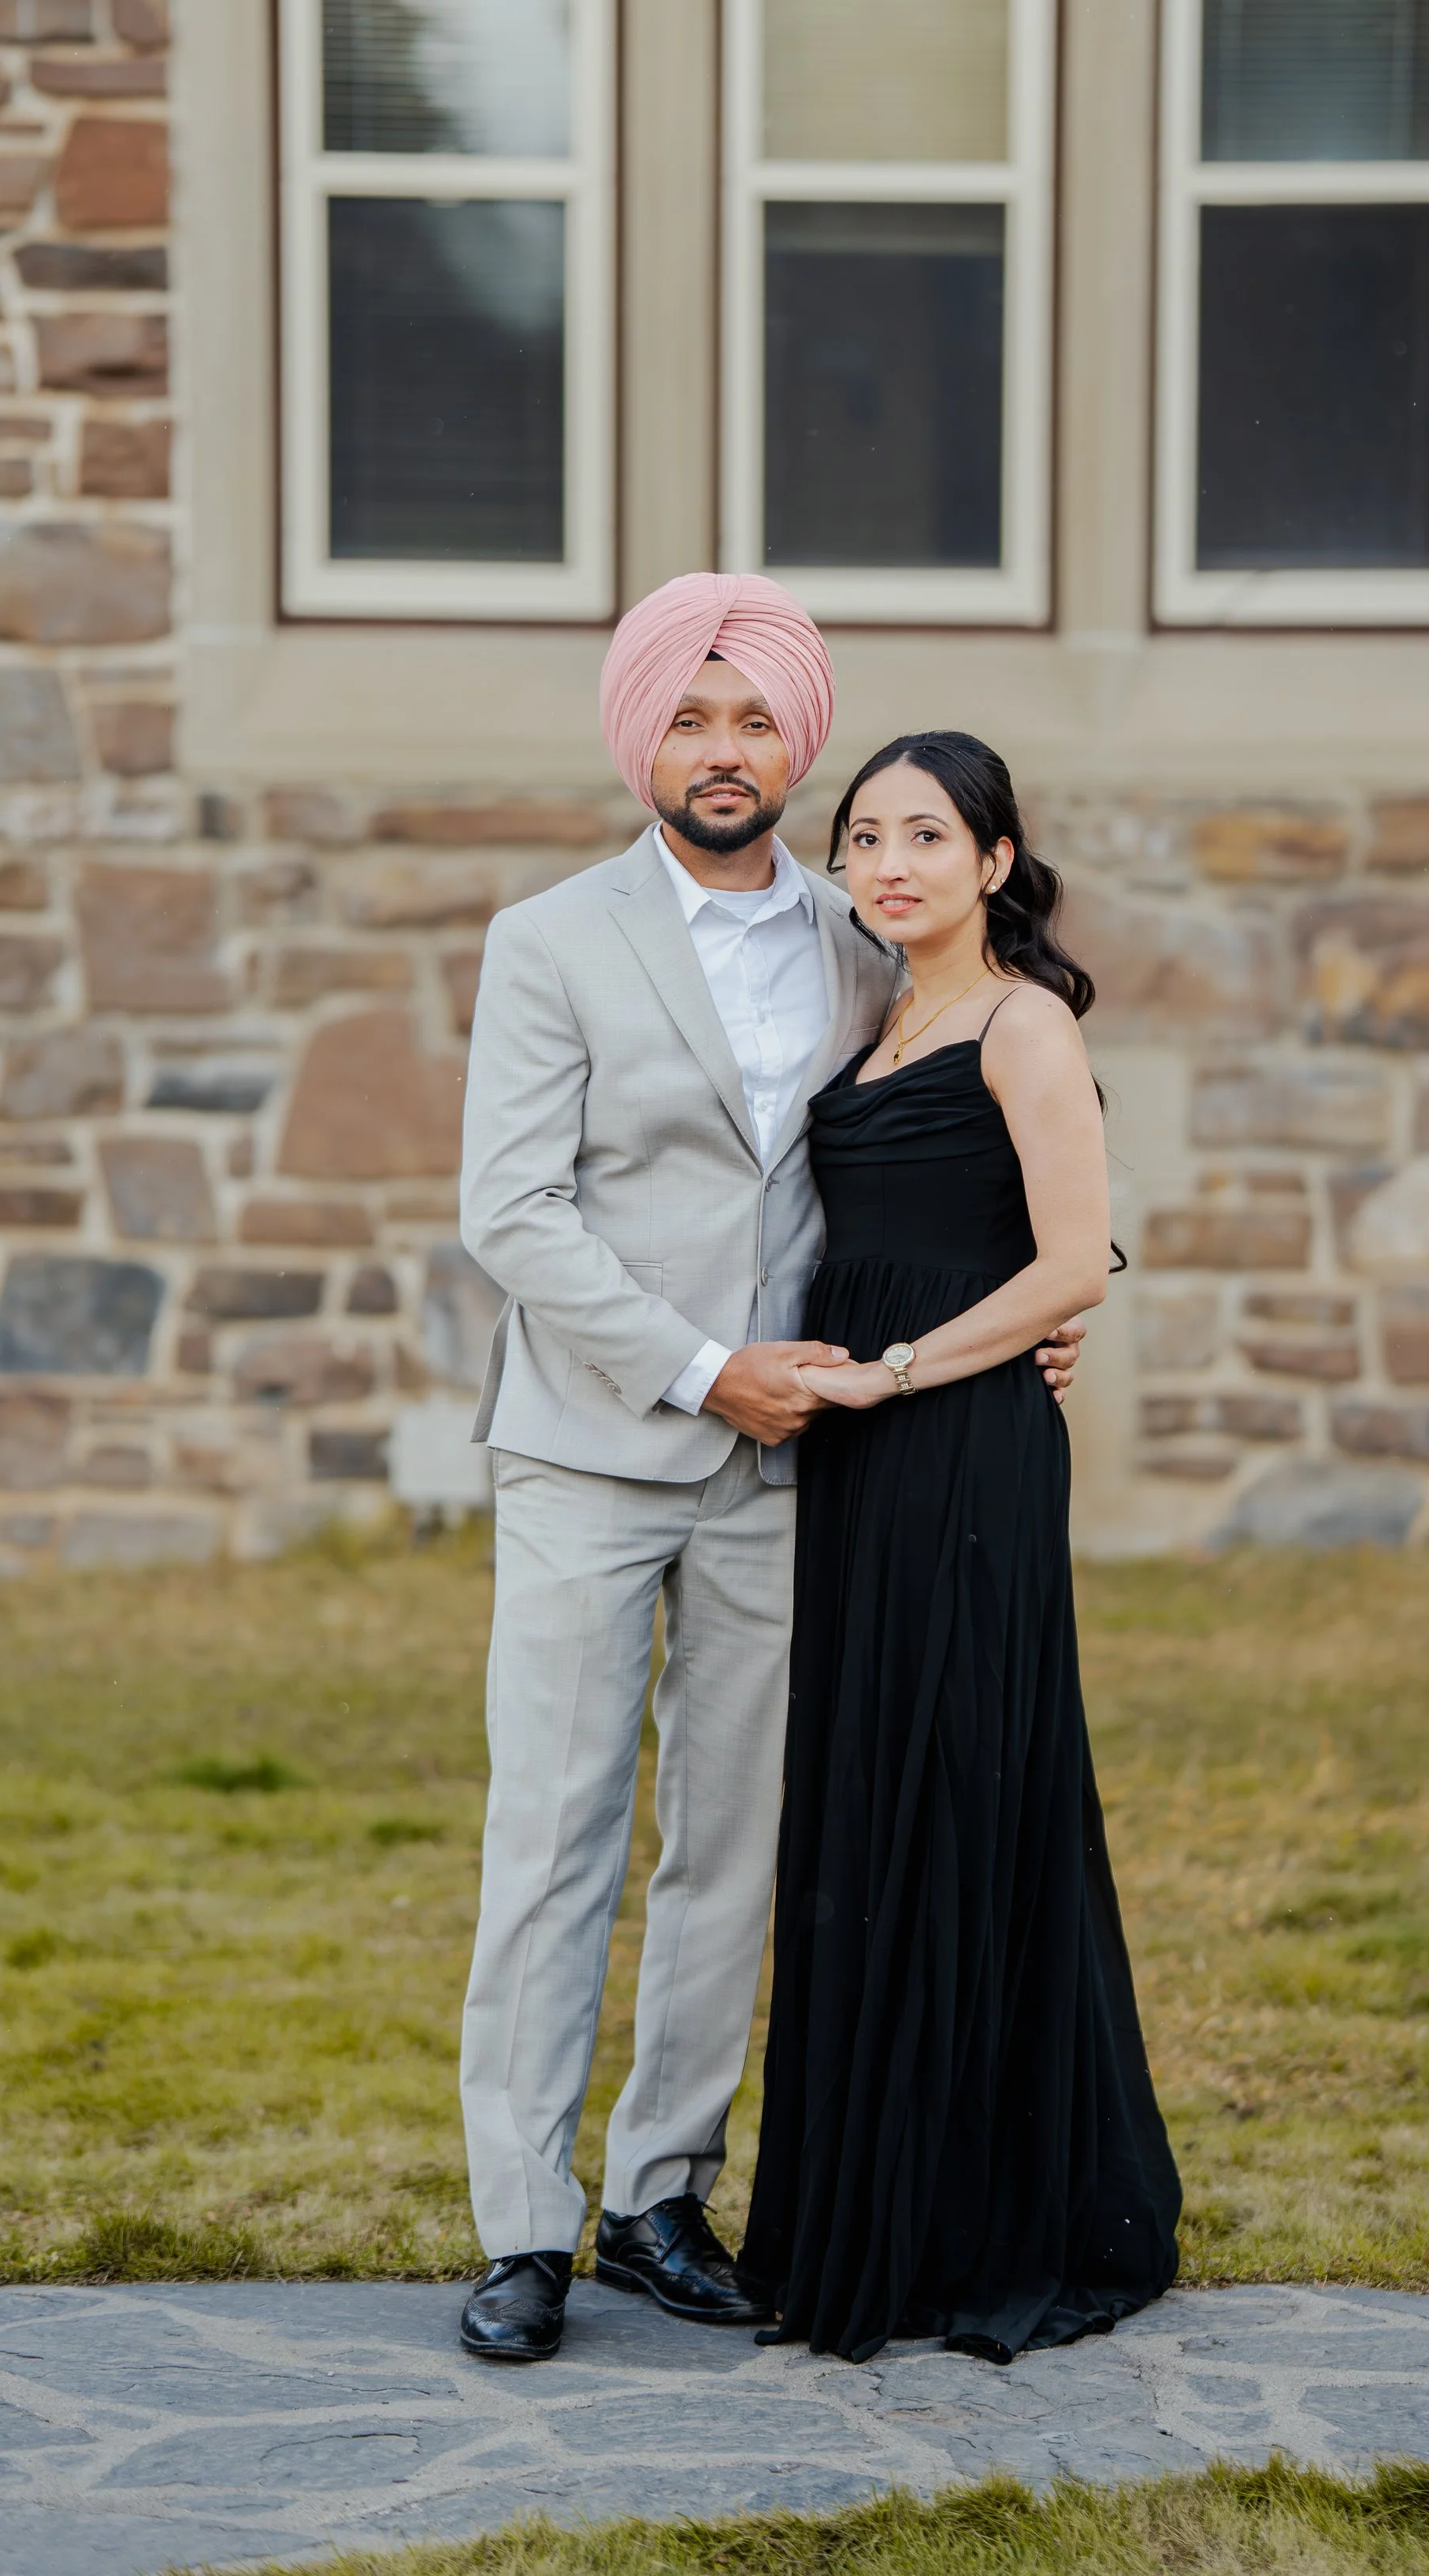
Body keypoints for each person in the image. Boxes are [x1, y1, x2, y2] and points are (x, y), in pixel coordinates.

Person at [453, 578, 1084, 2365]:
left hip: (792, 1472)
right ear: (637, 735)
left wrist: (1057, 1298)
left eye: (751, 723)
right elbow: (510, 1209)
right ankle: (521, 2229)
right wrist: (694, 1368)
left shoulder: (857, 929)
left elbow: (956, 1146)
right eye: (686, 718)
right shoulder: (548, 937)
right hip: (590, 1451)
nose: (718, 752)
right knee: (555, 1834)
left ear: (791, 742)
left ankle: (658, 2190)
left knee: (728, 1850)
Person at [740, 729, 1182, 2364]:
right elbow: (1016, 1236)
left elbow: (1071, 1262)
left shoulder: (1019, 1021)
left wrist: (904, 1368)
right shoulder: (875, 1022)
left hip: (960, 1446)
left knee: (957, 1784)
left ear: (996, 862)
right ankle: (874, 2203)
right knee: (870, 1792)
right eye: (862, 838)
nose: (890, 863)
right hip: (865, 1454)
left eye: (928, 834)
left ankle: (981, 2213)